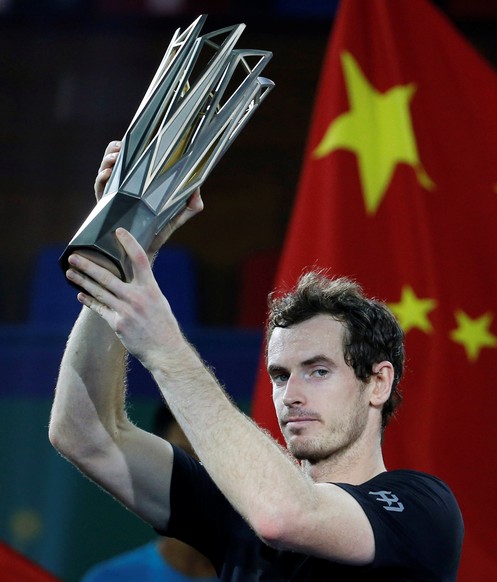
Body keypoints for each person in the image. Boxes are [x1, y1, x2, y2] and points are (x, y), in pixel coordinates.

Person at [49, 141, 464, 580]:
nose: (292, 395)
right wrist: (126, 246)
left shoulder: (422, 508)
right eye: (280, 375)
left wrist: (165, 348)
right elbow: (85, 435)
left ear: (378, 383)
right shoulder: (234, 506)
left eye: (318, 371)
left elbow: (284, 516)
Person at [81, 405, 218, 581]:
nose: (199, 473)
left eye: (212, 458)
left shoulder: (261, 574)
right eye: (184, 456)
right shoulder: (108, 579)